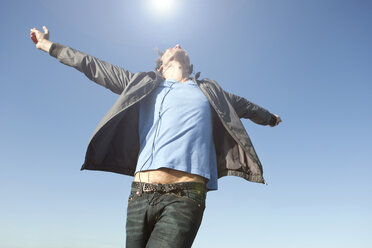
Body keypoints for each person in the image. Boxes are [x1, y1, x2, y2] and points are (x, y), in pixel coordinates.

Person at [30, 26, 282, 248]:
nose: (179, 44)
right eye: (173, 46)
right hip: (139, 194)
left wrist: (270, 118)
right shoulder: (141, 84)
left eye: (181, 46)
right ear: (161, 64)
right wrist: (48, 46)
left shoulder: (210, 91)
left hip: (185, 197)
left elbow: (247, 107)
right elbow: (92, 65)